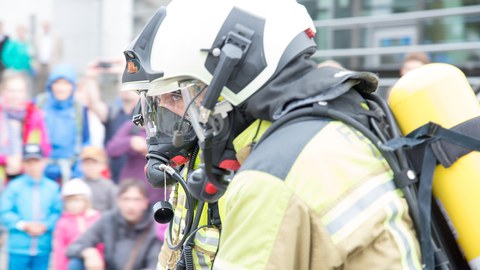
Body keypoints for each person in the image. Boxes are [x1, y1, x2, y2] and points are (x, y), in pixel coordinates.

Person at [121, 0, 422, 269]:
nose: (170, 113)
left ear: (233, 77)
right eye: (156, 101)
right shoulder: (316, 131)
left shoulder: (272, 175)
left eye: (176, 94)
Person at [66, 179, 162, 270]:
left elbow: (155, 266)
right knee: (76, 262)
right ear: (118, 201)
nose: (131, 206)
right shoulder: (108, 220)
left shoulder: (154, 228)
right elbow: (73, 247)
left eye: (136, 200)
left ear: (145, 203)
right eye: (126, 199)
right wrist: (89, 252)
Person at [0, 143, 62, 270]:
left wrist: (46, 225)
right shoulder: (14, 186)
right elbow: (4, 211)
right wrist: (23, 225)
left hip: (43, 247)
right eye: (29, 162)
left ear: (44, 162)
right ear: (23, 164)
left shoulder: (52, 188)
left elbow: (57, 212)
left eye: (36, 161)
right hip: (18, 247)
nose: (33, 166)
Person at [36, 64, 90, 184]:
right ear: (50, 85)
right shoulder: (40, 104)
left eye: (66, 83)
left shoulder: (79, 109)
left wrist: (79, 169)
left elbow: (86, 141)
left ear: (73, 87)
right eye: (57, 83)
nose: (61, 88)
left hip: (70, 170)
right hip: (41, 169)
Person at [0, 70, 51, 186]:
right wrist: (7, 160)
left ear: (25, 93)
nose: (15, 95)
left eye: (19, 91)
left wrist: (23, 163)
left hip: (28, 176)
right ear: (3, 91)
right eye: (11, 91)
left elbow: (45, 147)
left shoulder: (34, 114)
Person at [53, 178, 102, 270]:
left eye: (77, 201)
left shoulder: (95, 218)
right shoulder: (63, 223)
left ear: (86, 201)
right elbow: (59, 251)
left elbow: (102, 244)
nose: (73, 205)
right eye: (69, 201)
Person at [78, 146, 117, 212]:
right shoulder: (77, 185)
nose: (90, 166)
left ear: (103, 165)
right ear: (81, 166)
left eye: (94, 163)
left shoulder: (109, 186)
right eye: (87, 163)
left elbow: (114, 211)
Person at [34, 21, 63, 97]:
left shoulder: (57, 36)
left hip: (52, 65)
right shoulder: (38, 36)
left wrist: (57, 63)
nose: (46, 27)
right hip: (41, 65)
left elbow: (60, 51)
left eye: (47, 25)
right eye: (44, 25)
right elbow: (35, 52)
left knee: (52, 83)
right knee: (40, 85)